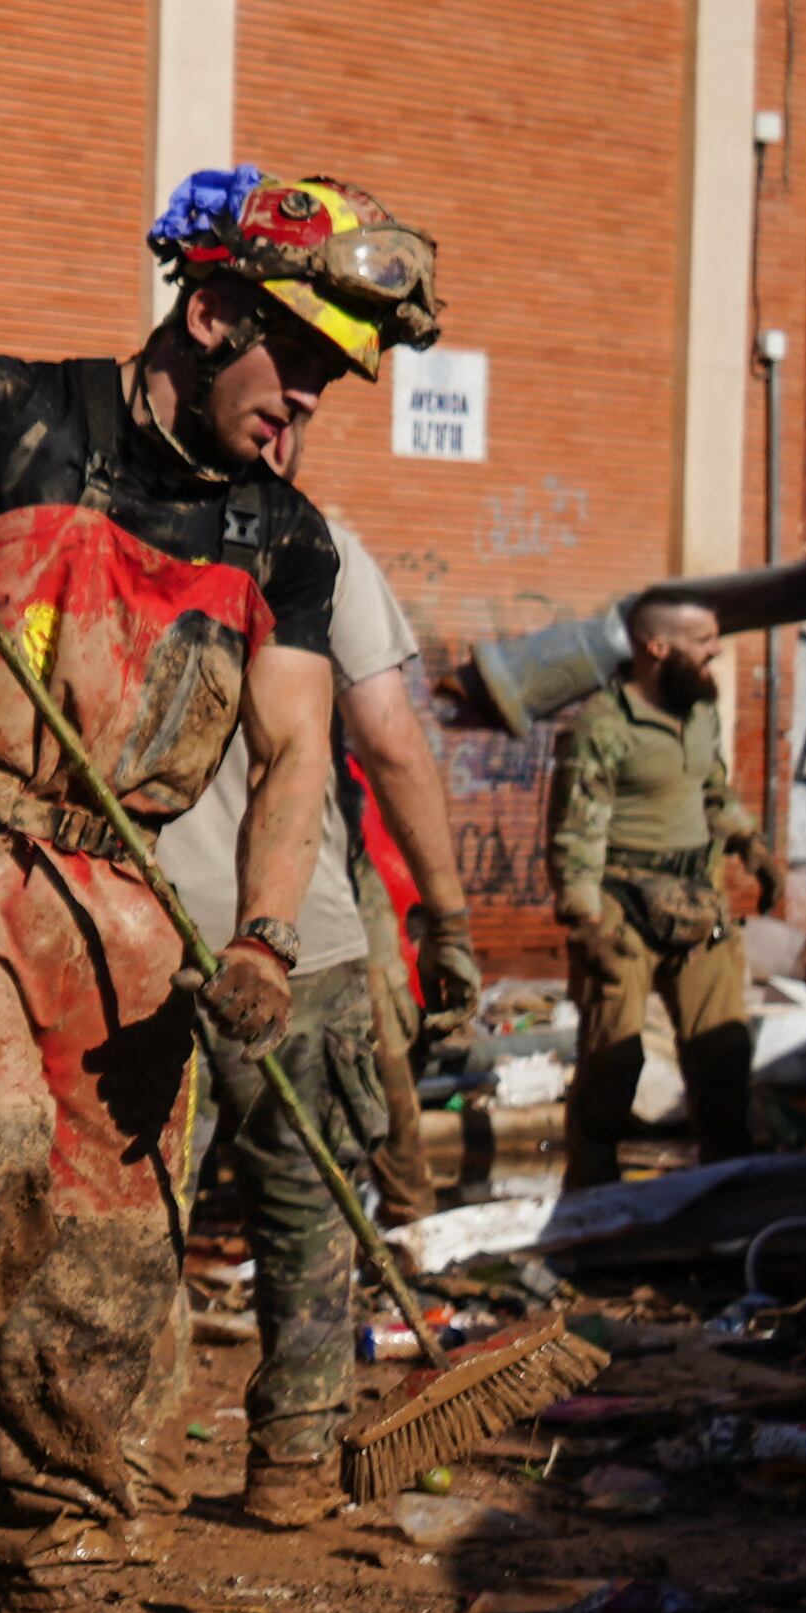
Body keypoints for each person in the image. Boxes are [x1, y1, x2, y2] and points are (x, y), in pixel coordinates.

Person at [0, 166, 433, 1613]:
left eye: (329, 381)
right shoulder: (19, 415)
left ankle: (54, 1561)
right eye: (292, 361)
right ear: (213, 307)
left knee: (117, 1247)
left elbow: (298, 746)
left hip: (126, 900)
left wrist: (261, 932)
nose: (302, 401)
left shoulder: (283, 539)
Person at [148, 510, 477, 1525]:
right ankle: (292, 1463)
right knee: (306, 1209)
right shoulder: (312, 539)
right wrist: (445, 914)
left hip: (124, 921)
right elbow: (386, 737)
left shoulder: (91, 503)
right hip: (291, 932)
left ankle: (111, 1469)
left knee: (126, 1216)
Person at [548, 595, 780, 1192]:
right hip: (619, 909)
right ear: (658, 647)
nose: (717, 650)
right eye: (704, 640)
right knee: (613, 1060)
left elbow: (712, 790)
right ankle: (592, 1196)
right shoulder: (603, 723)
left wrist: (749, 844)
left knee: (722, 1056)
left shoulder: (700, 711)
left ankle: (727, 1190)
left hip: (699, 905)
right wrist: (585, 922)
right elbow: (576, 831)